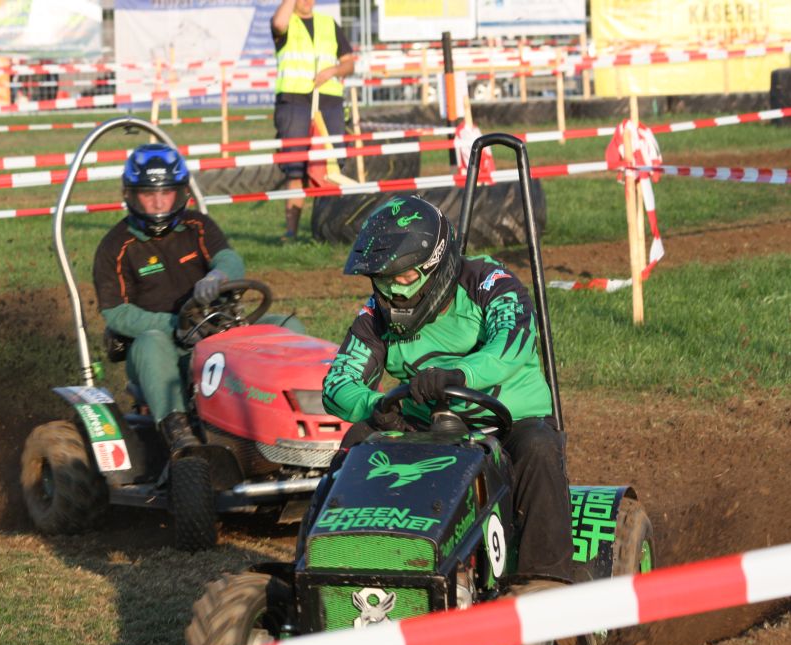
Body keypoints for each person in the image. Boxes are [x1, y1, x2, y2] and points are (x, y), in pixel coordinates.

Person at [320, 195, 574, 587]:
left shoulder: (488, 282)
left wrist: (458, 374)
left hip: (508, 423)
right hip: (426, 425)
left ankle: (547, 587)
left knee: (538, 449)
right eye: (382, 280)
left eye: (403, 277)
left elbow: (512, 343)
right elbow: (337, 385)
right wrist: (377, 403)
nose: (392, 293)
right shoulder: (375, 316)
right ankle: (331, 565)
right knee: (358, 442)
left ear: (435, 267)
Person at [93, 143, 304, 454]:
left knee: (287, 327)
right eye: (149, 195)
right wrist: (174, 325)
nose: (158, 203)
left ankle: (308, 413)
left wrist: (217, 276)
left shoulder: (198, 225)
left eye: (166, 194)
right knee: (151, 343)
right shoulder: (115, 246)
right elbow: (116, 313)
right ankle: (177, 429)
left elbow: (228, 259)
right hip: (161, 346)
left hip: (218, 329)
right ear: (130, 195)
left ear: (181, 193)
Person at [271, 0, 354, 242]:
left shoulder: (329, 24)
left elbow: (349, 62)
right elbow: (278, 23)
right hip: (294, 101)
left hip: (328, 102)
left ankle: (326, 231)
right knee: (295, 168)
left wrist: (333, 71)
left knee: (330, 167)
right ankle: (291, 232)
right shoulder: (285, 21)